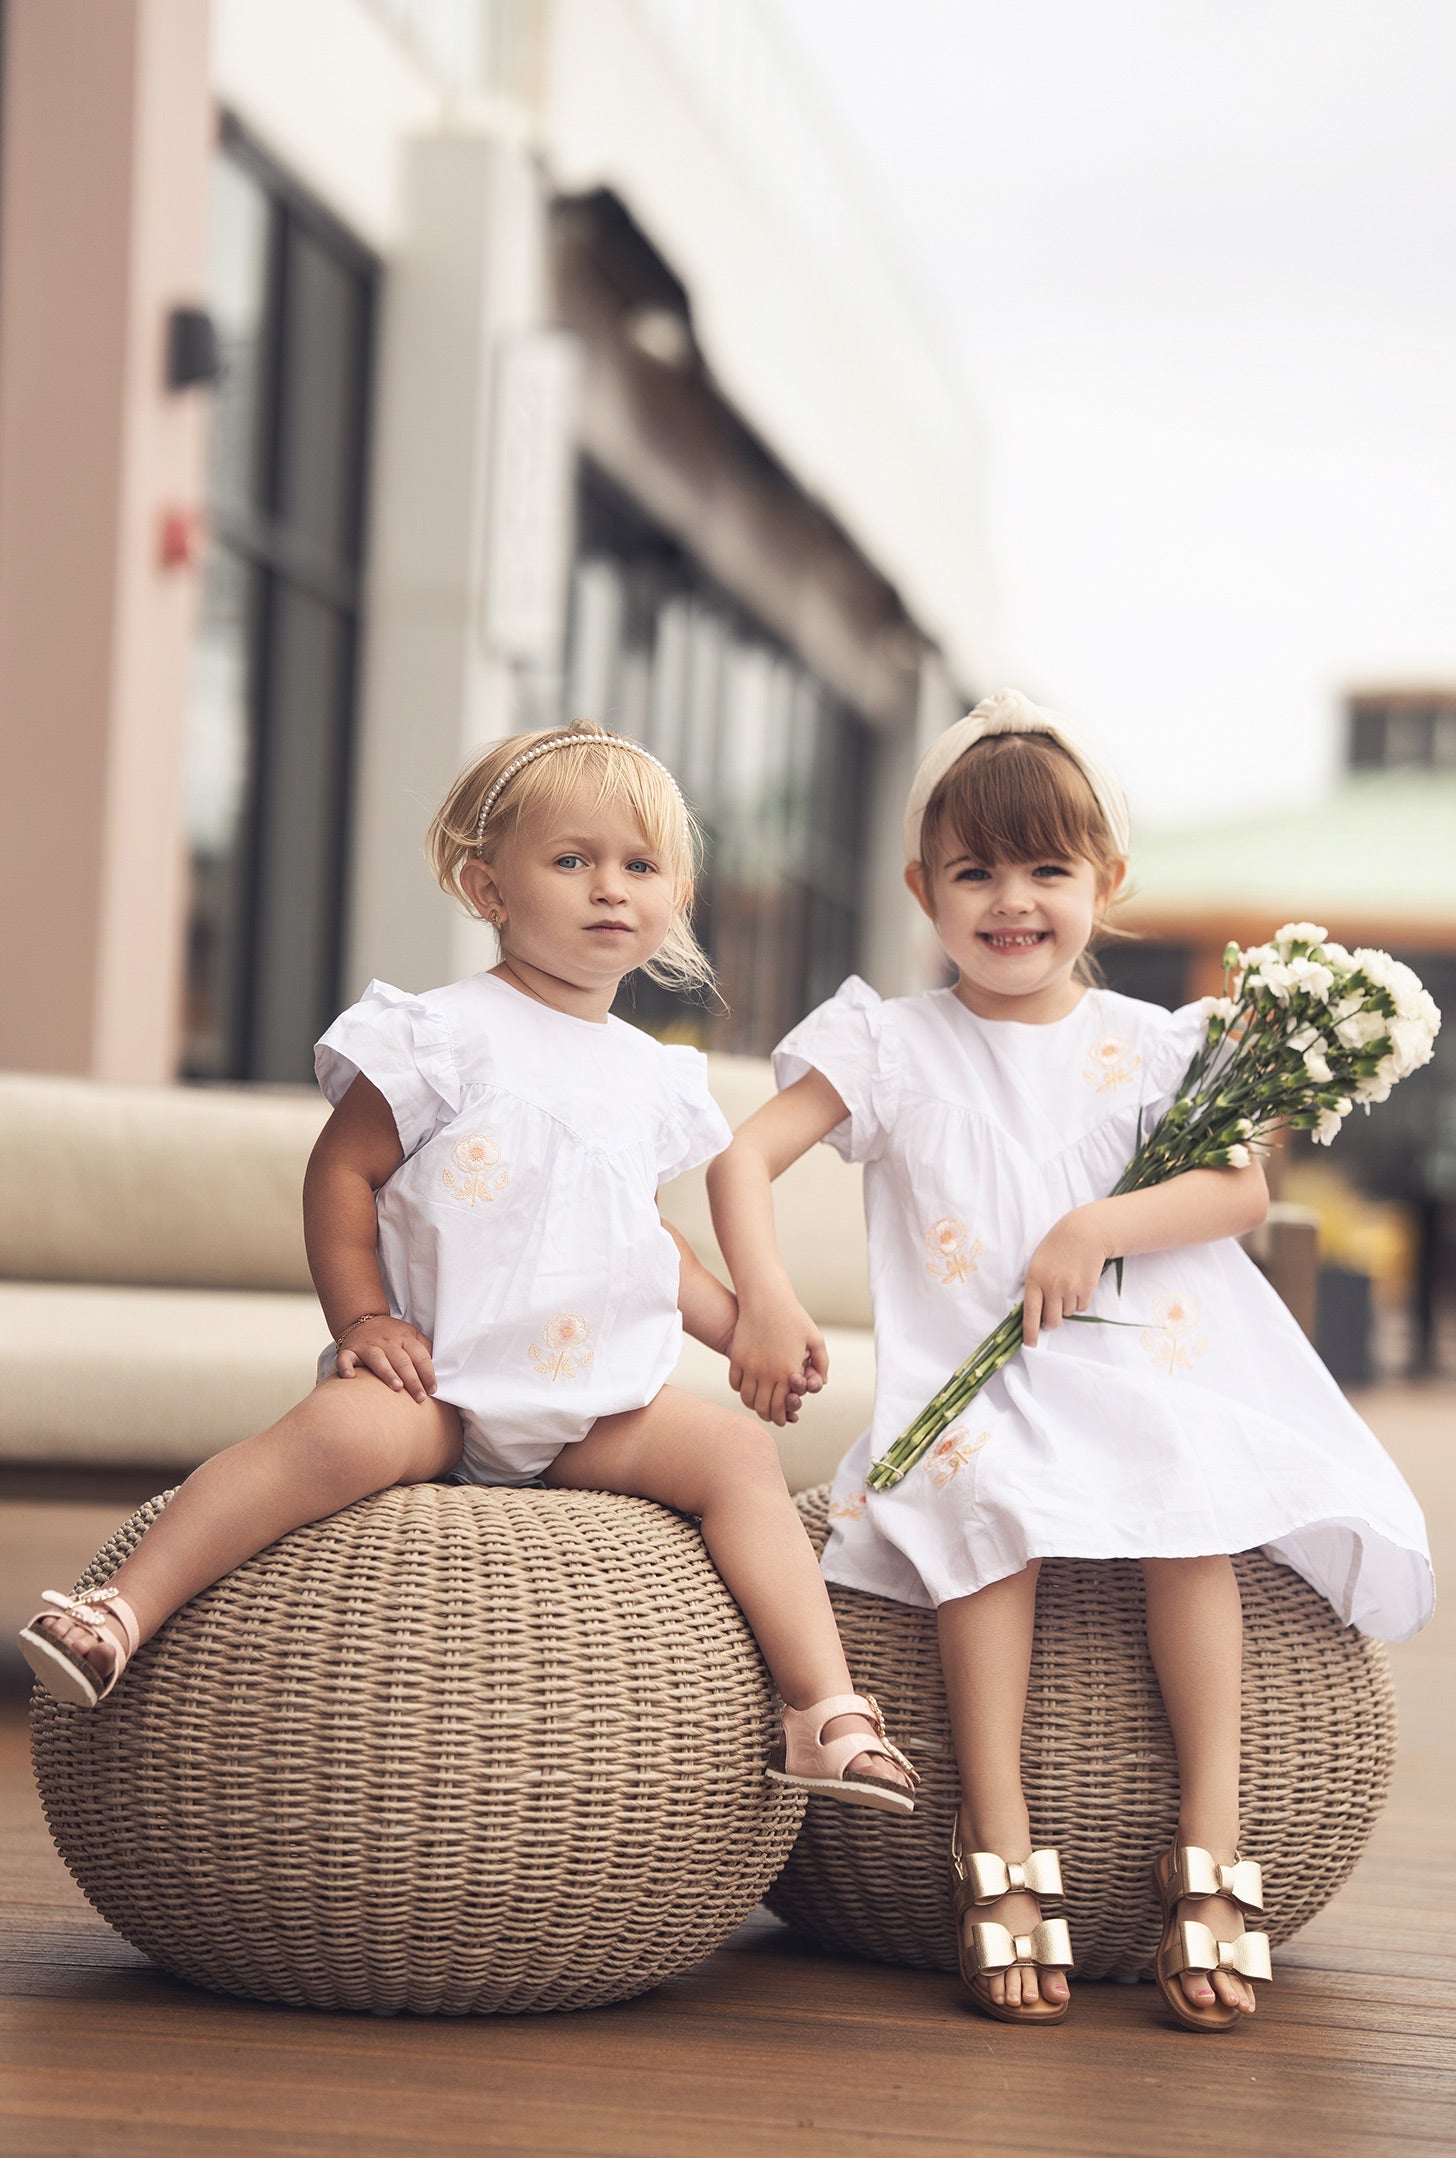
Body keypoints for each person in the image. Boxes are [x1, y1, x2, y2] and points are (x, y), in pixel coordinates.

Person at [20, 723, 915, 1815]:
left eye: (640, 867)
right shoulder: (440, 1034)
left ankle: (821, 1712)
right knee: (335, 1432)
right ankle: (122, 1612)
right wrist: (362, 1319)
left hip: (592, 1408)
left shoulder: (657, 1078)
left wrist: (739, 1330)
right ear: (486, 885)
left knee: (733, 1453)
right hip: (437, 1383)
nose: (608, 890)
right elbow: (339, 1176)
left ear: (675, 898)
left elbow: (641, 1238)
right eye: (572, 860)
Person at [707, 689, 1433, 2031]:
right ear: (923, 886)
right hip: (972, 1385)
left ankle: (1209, 1845)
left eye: (1048, 868)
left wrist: (1094, 1227)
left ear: (1106, 880)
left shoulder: (1157, 1045)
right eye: (976, 870)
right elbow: (742, 1156)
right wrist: (759, 1293)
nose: (1012, 900)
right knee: (988, 1503)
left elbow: (1230, 1193)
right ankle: (998, 1839)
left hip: (1139, 1353)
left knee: (1189, 1490)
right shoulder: (892, 1042)